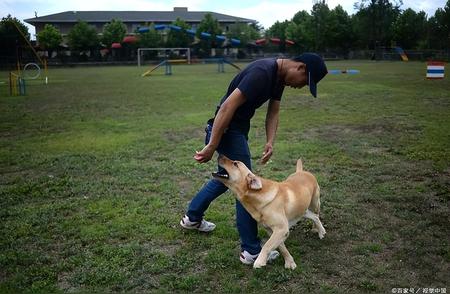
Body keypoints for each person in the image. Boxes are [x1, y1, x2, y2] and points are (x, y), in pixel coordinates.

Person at [180, 53, 328, 265]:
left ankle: (192, 218)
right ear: (301, 68)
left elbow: (273, 112)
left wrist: (270, 141)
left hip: (236, 130)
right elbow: (227, 107)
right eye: (305, 82)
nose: (301, 86)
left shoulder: (279, 78)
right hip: (227, 130)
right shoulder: (262, 73)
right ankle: (251, 249)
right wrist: (213, 144)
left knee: (226, 180)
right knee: (246, 187)